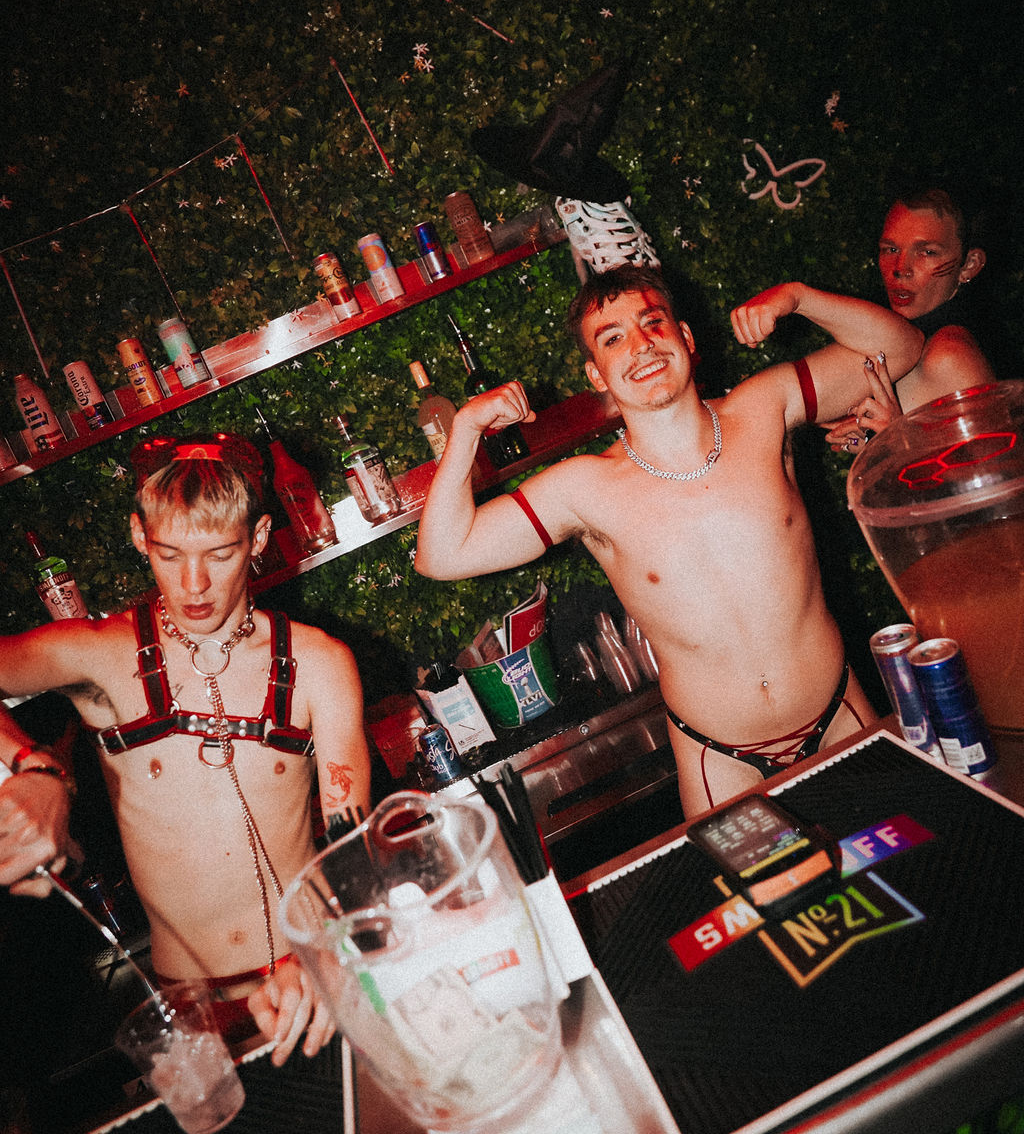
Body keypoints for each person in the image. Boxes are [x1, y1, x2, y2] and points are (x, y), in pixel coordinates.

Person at [416, 267, 924, 816]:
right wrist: (466, 428)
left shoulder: (764, 407)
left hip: (840, 716)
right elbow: (442, 555)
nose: (641, 345)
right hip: (719, 759)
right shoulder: (583, 488)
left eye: (652, 322)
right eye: (613, 338)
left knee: (913, 859)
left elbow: (902, 347)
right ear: (596, 375)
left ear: (686, 336)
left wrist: (799, 296)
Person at [0, 433, 370, 1063]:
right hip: (193, 1013)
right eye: (169, 555)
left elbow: (351, 840)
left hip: (317, 974)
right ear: (140, 537)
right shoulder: (103, 654)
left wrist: (326, 952)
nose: (194, 584)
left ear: (258, 538)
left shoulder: (319, 663)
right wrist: (32, 768)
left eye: (220, 554)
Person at [822, 187, 994, 452]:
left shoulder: (950, 354)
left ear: (969, 265)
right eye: (890, 249)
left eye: (927, 252)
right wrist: (871, 445)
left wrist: (899, 439)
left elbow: (993, 471)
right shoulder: (909, 339)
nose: (901, 268)